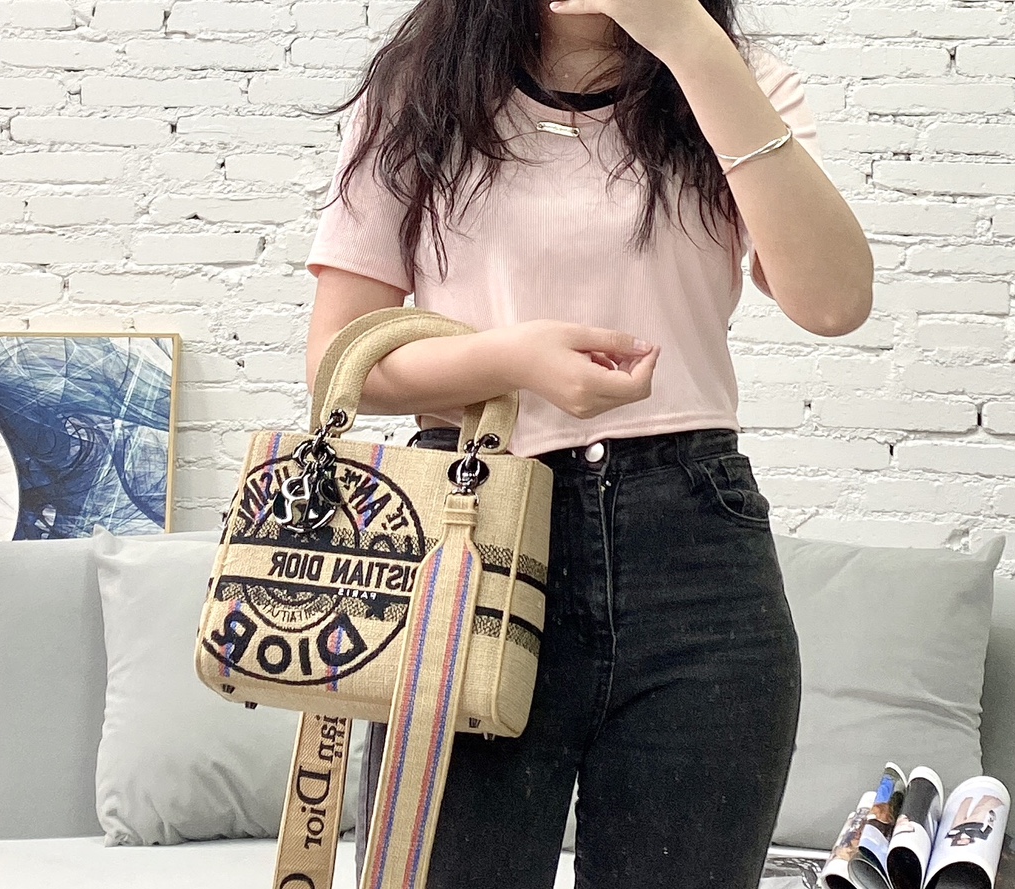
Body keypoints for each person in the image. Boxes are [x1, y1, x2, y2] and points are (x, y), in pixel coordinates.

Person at [303, 0, 873, 886]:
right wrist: (512, 362)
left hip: (694, 550)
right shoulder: (421, 92)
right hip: (471, 537)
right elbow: (340, 362)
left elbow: (833, 301)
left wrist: (685, 38)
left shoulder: (735, 80)